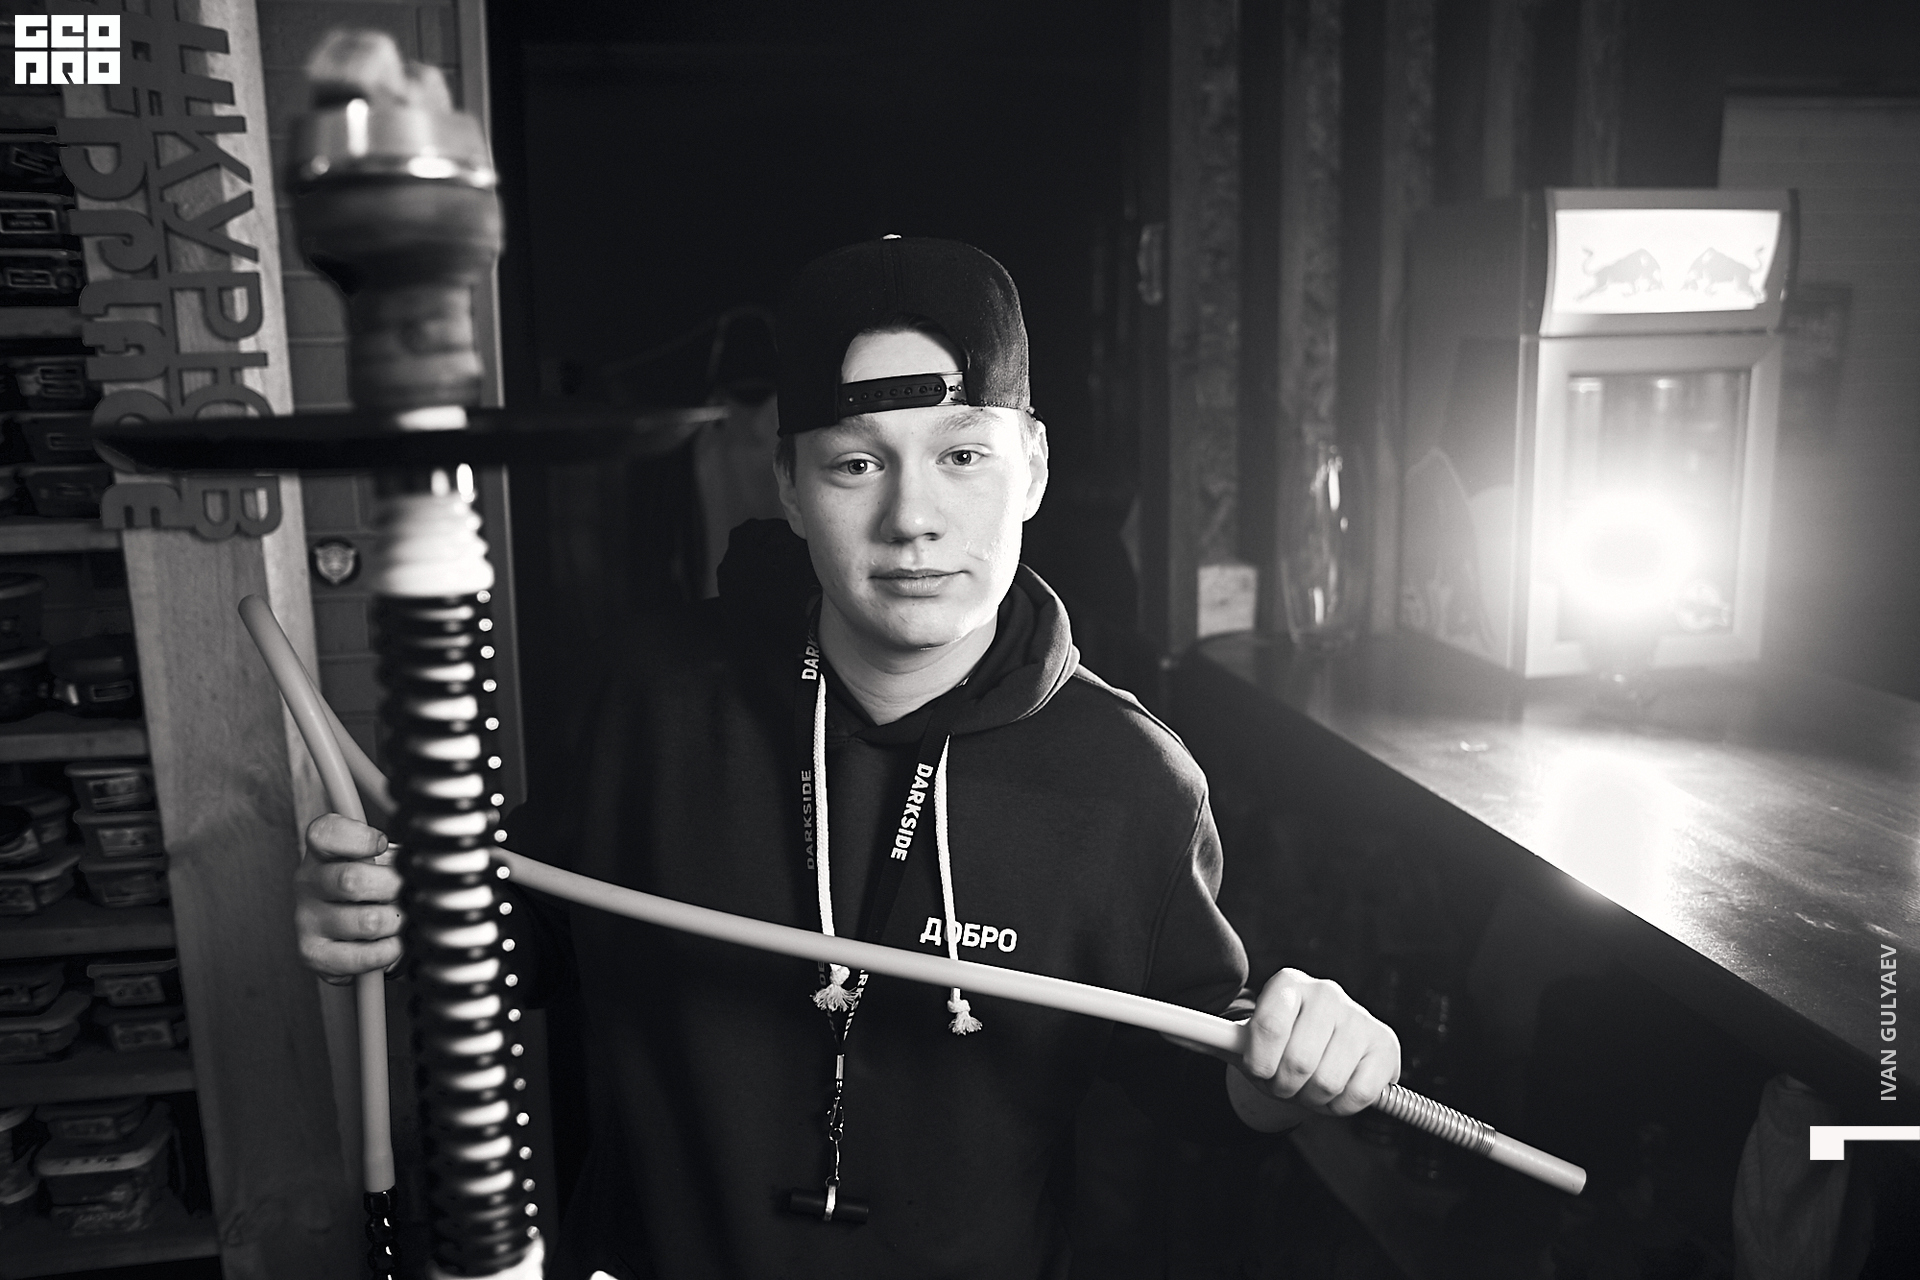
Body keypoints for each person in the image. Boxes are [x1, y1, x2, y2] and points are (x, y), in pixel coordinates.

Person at [294, 236, 1400, 1280]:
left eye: (962, 455)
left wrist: (1296, 1060)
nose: (912, 518)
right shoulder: (655, 697)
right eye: (857, 463)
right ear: (786, 484)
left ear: (1031, 468)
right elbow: (529, 932)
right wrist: (395, 917)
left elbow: (1196, 1077)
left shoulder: (1132, 785)